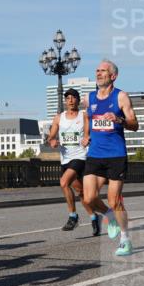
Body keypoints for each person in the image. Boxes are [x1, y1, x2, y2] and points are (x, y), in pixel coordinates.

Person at [82, 60, 139, 257]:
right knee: (88, 198)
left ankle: (125, 239)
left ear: (113, 76)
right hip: (95, 154)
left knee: (114, 200)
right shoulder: (88, 98)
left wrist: (119, 120)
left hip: (116, 155)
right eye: (97, 70)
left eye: (103, 71)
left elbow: (135, 124)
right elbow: (88, 118)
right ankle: (109, 217)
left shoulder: (121, 96)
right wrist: (86, 134)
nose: (98, 73)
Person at [46, 88, 98, 235]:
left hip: (80, 157)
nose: (70, 100)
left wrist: (87, 137)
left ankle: (73, 216)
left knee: (63, 182)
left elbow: (89, 133)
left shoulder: (83, 116)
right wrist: (52, 141)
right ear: (65, 101)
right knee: (81, 192)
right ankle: (94, 217)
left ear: (77, 100)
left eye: (73, 97)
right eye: (67, 98)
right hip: (65, 159)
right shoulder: (58, 118)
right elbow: (50, 137)